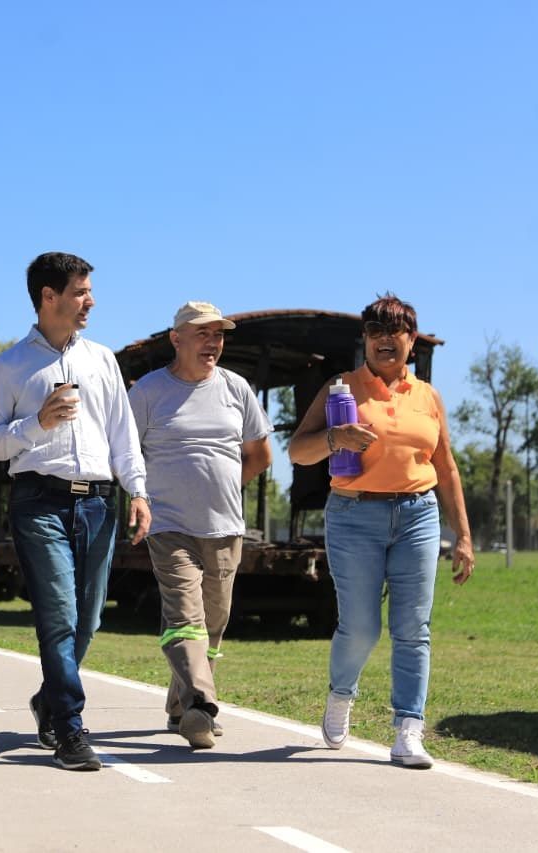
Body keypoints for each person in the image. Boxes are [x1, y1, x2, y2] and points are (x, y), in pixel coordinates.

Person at [0, 251, 150, 771]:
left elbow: (123, 433)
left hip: (98, 503)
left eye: (89, 291)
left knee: (89, 618)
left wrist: (137, 491)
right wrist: (38, 424)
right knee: (58, 617)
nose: (90, 301)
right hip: (39, 502)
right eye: (80, 292)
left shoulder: (102, 359)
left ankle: (48, 699)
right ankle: (70, 729)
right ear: (48, 297)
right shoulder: (8, 366)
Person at [289, 293, 474, 769]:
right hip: (354, 515)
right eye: (374, 331)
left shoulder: (428, 397)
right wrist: (336, 439)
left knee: (413, 628)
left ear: (411, 341)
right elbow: (297, 452)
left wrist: (465, 537)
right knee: (363, 627)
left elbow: (446, 468)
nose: (384, 339)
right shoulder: (341, 388)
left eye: (395, 331)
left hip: (418, 515)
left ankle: (408, 731)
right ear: (365, 342)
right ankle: (340, 694)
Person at [128, 301, 273, 750]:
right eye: (203, 333)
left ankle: (181, 704)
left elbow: (261, 454)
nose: (213, 343)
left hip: (225, 526)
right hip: (169, 524)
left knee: (212, 623)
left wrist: (223, 487)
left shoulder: (236, 388)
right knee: (184, 617)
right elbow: (125, 454)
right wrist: (140, 498)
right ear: (177, 339)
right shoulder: (149, 392)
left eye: (219, 335)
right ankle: (203, 705)